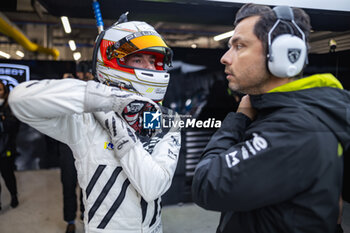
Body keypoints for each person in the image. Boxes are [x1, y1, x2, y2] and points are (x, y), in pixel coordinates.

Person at [9, 18, 181, 233]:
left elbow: (153, 186)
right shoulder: (85, 121)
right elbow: (20, 100)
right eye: (138, 60)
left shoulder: (167, 120)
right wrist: (108, 99)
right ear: (112, 63)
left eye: (153, 61)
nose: (150, 68)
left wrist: (117, 129)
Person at [192, 3, 350, 233]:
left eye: (239, 46)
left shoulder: (294, 129)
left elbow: (206, 184)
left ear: (283, 54)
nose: (225, 58)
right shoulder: (288, 114)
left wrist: (239, 119)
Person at [0, 81, 20, 210]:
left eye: (0, 90)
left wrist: (3, 120)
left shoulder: (9, 107)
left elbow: (13, 126)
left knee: (8, 176)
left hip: (5, 148)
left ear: (5, 91)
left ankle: (14, 195)